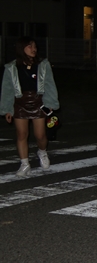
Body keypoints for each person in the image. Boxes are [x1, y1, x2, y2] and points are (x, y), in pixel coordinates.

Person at [1, 36, 59, 177]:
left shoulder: (43, 65)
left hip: (39, 102)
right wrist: (7, 109)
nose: (34, 49)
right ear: (22, 48)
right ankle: (24, 163)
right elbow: (7, 89)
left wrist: (50, 103)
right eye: (30, 46)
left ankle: (42, 152)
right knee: (21, 134)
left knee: (40, 135)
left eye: (34, 46)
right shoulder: (11, 67)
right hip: (20, 103)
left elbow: (50, 84)